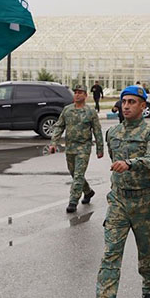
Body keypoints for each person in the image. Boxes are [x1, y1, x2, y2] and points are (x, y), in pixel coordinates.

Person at [82, 85, 150, 298]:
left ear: (142, 106)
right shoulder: (113, 133)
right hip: (118, 200)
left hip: (144, 201)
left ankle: (149, 289)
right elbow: (112, 159)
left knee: (147, 251)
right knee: (110, 253)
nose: (126, 106)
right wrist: (122, 169)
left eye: (132, 102)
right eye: (124, 101)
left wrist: (130, 163)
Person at [49, 85, 104, 213]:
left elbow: (97, 131)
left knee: (79, 174)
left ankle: (73, 201)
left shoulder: (90, 112)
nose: (77, 95)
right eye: (76, 93)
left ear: (85, 95)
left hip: (84, 148)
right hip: (70, 147)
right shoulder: (67, 110)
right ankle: (88, 191)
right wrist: (53, 143)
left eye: (80, 92)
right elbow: (59, 127)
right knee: (74, 173)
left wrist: (99, 149)